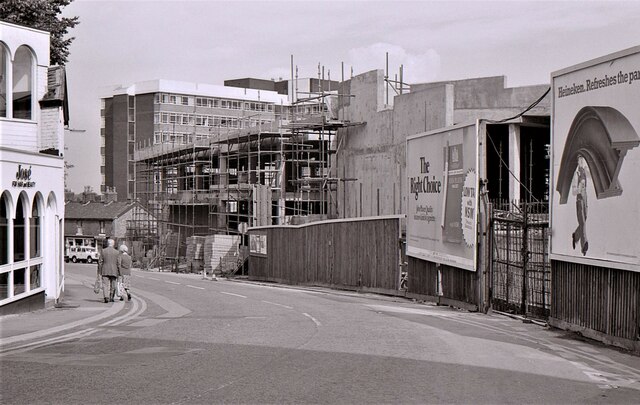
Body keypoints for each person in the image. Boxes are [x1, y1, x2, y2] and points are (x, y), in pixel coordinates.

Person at [571, 156, 589, 256]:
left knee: (585, 218)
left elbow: (591, 176)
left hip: (585, 198)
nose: (582, 162)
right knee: (582, 222)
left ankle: (576, 235)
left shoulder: (584, 171)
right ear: (577, 162)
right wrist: (579, 188)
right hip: (579, 199)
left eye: (583, 159)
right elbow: (573, 192)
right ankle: (584, 246)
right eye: (580, 160)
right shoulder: (576, 174)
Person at [99, 238, 120, 303]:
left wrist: (99, 270)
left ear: (108, 244)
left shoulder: (103, 251)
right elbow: (118, 263)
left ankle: (106, 297)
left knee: (105, 284)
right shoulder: (117, 252)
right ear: (113, 244)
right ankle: (111, 297)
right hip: (114, 270)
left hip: (105, 270)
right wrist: (119, 272)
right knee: (113, 284)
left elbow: (100, 261)